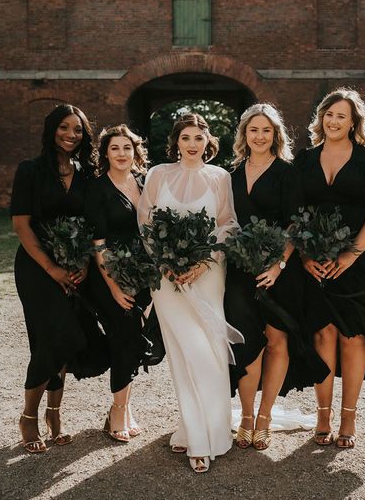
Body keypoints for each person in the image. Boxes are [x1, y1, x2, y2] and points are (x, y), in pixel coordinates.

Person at [138, 113, 243, 473]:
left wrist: (205, 260)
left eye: (199, 137)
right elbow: (145, 223)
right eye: (186, 137)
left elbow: (228, 224)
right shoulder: (157, 175)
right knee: (185, 353)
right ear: (176, 142)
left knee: (209, 350)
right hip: (167, 279)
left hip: (208, 274)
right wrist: (164, 261)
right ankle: (194, 432)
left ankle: (210, 432)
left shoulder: (219, 177)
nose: (193, 144)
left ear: (207, 141)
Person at [224, 103, 329, 451]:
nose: (259, 136)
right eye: (253, 130)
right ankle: (246, 416)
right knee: (247, 344)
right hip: (239, 272)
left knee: (276, 341)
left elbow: (295, 223)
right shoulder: (231, 174)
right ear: (244, 134)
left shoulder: (288, 172)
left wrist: (278, 265)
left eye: (266, 130)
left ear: (275, 134)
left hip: (280, 272)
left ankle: (265, 418)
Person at [11, 104, 107, 454]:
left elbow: (90, 223)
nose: (71, 135)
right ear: (52, 130)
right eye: (64, 127)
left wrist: (81, 261)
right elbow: (21, 225)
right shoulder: (31, 171)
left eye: (78, 129)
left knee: (68, 339)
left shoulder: (86, 173)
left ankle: (55, 415)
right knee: (52, 337)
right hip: (37, 269)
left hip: (75, 266)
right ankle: (29, 417)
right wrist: (51, 268)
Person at [295, 88, 365, 449]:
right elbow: (296, 213)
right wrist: (304, 256)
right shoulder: (304, 159)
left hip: (358, 263)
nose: (333, 121)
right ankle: (322, 414)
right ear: (321, 118)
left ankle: (348, 415)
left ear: (353, 123)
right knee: (322, 334)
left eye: (341, 116)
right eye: (328, 114)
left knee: (354, 336)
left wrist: (350, 256)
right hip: (315, 262)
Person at [85, 125, 151, 443]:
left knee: (135, 340)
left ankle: (123, 407)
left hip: (143, 275)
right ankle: (118, 411)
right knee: (125, 337)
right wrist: (114, 286)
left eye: (127, 147)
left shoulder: (144, 181)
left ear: (134, 151)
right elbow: (98, 244)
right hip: (110, 276)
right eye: (115, 148)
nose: (122, 153)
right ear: (106, 154)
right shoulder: (97, 189)